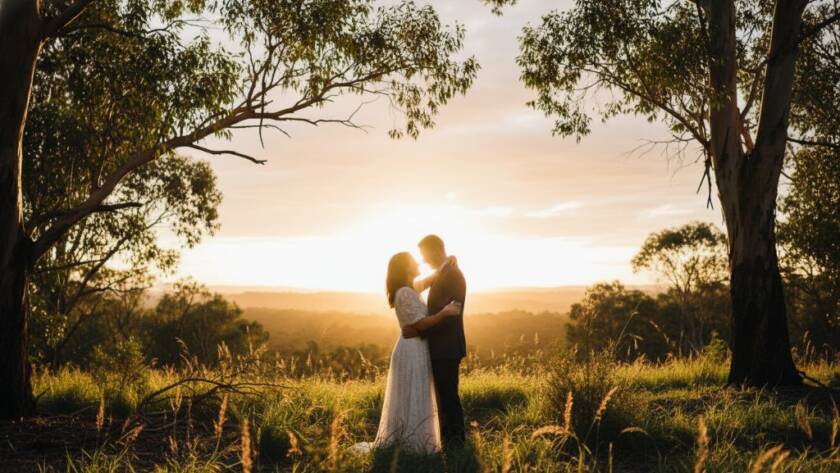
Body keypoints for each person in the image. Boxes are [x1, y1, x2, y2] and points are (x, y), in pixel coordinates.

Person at [371, 251, 462, 453]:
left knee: (417, 391)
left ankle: (415, 440)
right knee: (413, 391)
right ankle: (412, 444)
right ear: (404, 267)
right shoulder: (404, 292)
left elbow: (431, 279)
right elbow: (419, 324)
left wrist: (447, 262)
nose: (418, 262)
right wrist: (444, 313)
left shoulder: (411, 288)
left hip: (417, 347)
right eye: (414, 261)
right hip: (411, 350)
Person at [402, 234, 467, 447]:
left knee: (448, 396)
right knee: (443, 396)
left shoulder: (453, 275)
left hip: (447, 346)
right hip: (440, 345)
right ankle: (447, 439)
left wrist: (421, 331)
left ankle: (456, 444)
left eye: (425, 256)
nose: (424, 261)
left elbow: (452, 314)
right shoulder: (444, 272)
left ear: (437, 251)